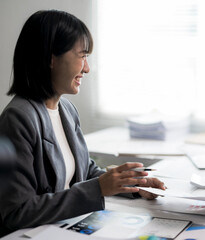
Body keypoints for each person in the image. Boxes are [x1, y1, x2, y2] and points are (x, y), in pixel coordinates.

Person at [0, 10, 165, 237]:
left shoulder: (66, 110)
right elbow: (17, 211)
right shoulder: (18, 118)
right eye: (82, 56)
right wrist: (98, 189)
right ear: (51, 58)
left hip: (67, 227)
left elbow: (85, 172)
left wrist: (134, 185)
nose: (86, 68)